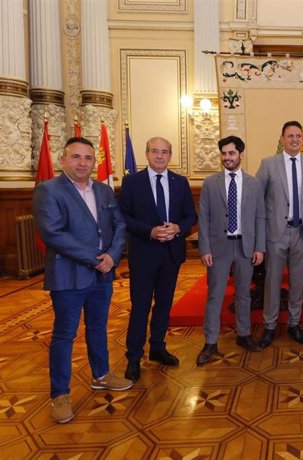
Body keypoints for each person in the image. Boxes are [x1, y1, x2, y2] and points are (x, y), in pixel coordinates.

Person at [33, 137, 132, 424]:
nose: (82, 163)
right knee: (64, 336)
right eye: (75, 157)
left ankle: (101, 375)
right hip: (69, 275)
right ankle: (60, 394)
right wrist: (96, 258)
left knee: (98, 326)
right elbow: (53, 232)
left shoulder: (103, 190)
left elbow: (118, 226)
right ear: (63, 159)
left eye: (88, 158)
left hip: (103, 272)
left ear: (94, 162)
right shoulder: (48, 190)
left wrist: (113, 256)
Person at [119, 137, 197, 382]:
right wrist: (149, 231)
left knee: (163, 305)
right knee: (140, 307)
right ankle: (133, 356)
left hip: (171, 254)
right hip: (144, 254)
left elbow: (190, 215)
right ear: (147, 153)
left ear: (170, 155)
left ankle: (158, 347)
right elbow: (123, 217)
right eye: (155, 151)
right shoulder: (132, 182)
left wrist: (178, 228)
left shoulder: (180, 182)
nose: (160, 156)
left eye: (164, 152)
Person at [196, 135, 266, 364]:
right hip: (219, 248)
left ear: (241, 154)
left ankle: (243, 335)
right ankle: (211, 341)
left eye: (231, 153)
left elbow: (259, 217)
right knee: (215, 295)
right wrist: (204, 248)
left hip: (245, 247)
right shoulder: (210, 183)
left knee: (244, 294)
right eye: (224, 154)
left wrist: (259, 247)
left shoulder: (254, 183)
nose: (227, 158)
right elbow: (203, 218)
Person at [256, 121, 303, 346]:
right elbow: (258, 199)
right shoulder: (268, 164)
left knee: (297, 281)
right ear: (282, 138)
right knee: (272, 282)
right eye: (290, 136)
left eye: (298, 136)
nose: (294, 139)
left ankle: (294, 323)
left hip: (301, 232)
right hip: (275, 233)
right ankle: (269, 326)